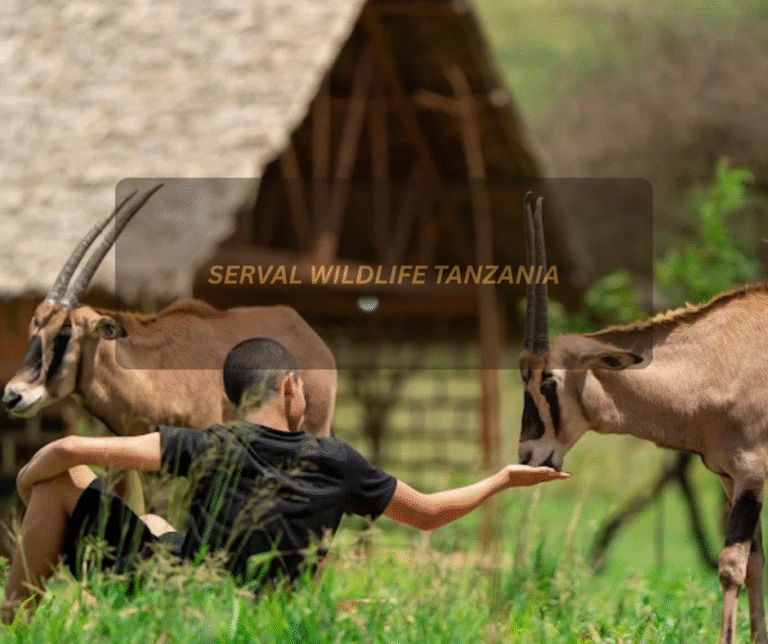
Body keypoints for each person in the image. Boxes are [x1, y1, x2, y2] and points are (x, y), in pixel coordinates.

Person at [2, 338, 569, 622]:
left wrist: (32, 486)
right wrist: (501, 478)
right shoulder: (338, 461)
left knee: (63, 481)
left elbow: (70, 449)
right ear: (291, 385)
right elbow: (430, 513)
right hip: (255, 611)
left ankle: (13, 619)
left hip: (182, 595)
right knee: (155, 520)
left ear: (233, 399)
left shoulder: (208, 444)